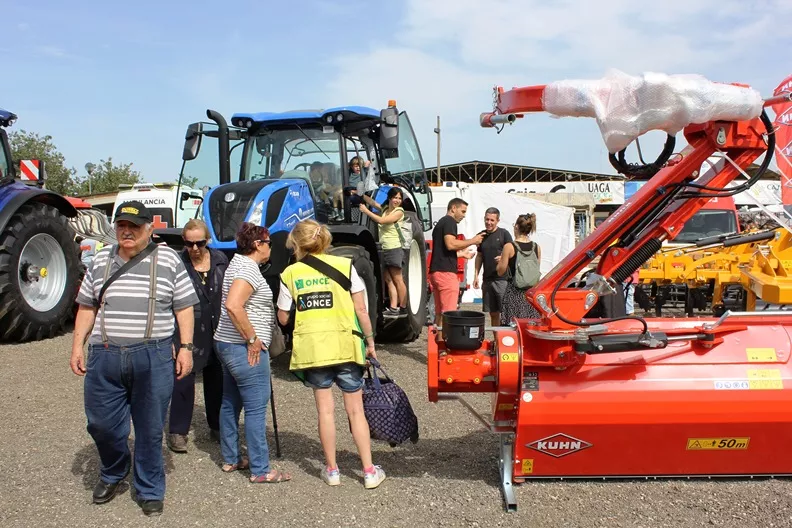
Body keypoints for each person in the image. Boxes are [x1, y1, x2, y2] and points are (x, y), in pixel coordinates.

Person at [69, 200, 198, 517]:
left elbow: (184, 307)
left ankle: (150, 488)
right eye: (121, 226)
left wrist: (186, 347)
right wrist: (76, 346)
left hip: (153, 355)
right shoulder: (101, 260)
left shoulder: (168, 259)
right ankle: (114, 469)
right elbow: (87, 306)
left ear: (149, 229)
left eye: (134, 226)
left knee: (150, 428)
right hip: (105, 354)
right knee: (101, 425)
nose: (127, 231)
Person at [277, 219, 385, 489]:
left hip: (314, 350)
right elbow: (361, 310)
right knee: (355, 411)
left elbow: (282, 317)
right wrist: (370, 341)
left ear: (297, 244)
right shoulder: (345, 265)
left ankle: (332, 470)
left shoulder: (289, 273)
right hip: (345, 345)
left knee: (325, 411)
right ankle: (369, 471)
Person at [213, 222, 289, 483]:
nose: (271, 248)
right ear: (258, 245)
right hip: (242, 347)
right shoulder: (247, 270)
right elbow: (234, 305)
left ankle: (231, 458)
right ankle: (260, 469)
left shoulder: (237, 265)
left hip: (225, 342)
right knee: (256, 408)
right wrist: (253, 339)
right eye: (268, 243)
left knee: (230, 401)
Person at [167, 219, 229, 453]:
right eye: (189, 243)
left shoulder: (221, 261)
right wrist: (174, 339)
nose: (194, 249)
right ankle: (178, 431)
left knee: (217, 382)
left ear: (208, 241)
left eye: (199, 243)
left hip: (217, 329)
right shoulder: (177, 263)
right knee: (183, 381)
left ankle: (217, 427)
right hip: (188, 331)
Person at [429, 198, 484, 324]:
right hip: (446, 274)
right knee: (449, 315)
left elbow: (443, 251)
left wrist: (461, 254)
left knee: (439, 314)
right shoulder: (449, 222)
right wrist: (473, 241)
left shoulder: (441, 223)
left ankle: (438, 341)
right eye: (463, 211)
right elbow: (450, 244)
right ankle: (445, 342)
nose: (464, 216)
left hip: (436, 272)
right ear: (453, 208)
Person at [360, 187, 408, 316]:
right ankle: (393, 307)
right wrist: (361, 195)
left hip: (394, 247)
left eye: (399, 198)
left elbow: (381, 221)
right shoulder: (386, 209)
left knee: (398, 279)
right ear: (390, 198)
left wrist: (365, 211)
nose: (397, 200)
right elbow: (374, 203)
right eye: (395, 198)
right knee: (388, 279)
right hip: (384, 247)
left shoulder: (399, 212)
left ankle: (403, 307)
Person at [496, 213, 542, 324]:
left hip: (514, 292)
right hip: (531, 295)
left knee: (512, 327)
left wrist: (501, 261)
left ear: (516, 226)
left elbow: (500, 271)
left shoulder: (509, 247)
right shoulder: (536, 247)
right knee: (529, 325)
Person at [472, 207, 513, 327]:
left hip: (502, 280)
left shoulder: (504, 234)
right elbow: (479, 256)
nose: (489, 222)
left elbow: (513, 252)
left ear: (498, 220)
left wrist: (504, 257)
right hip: (487, 280)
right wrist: (476, 276)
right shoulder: (481, 235)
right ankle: (496, 341)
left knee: (505, 313)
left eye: (492, 220)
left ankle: (506, 341)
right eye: (487, 219)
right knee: (493, 314)